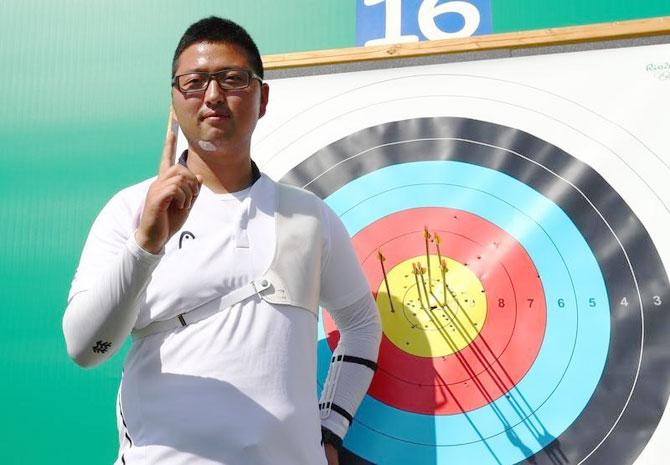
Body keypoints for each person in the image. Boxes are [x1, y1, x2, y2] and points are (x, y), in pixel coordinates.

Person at [62, 16, 381, 465]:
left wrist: (331, 428)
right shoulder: (130, 209)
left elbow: (362, 326)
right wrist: (145, 245)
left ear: (262, 97)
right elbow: (84, 349)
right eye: (194, 83)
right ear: (175, 102)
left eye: (232, 79)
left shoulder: (308, 216)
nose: (213, 96)